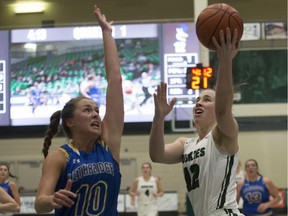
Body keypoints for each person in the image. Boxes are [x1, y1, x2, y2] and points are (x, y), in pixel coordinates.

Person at [34, 4, 124, 216]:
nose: (95, 114)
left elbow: (115, 80)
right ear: (70, 122)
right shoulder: (59, 157)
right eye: (87, 110)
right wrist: (51, 199)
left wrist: (107, 33)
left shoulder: (108, 144)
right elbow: (39, 205)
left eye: (96, 110)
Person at [149, 28, 243, 216]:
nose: (199, 102)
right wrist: (158, 118)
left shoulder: (223, 134)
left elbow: (224, 109)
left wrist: (225, 61)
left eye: (207, 99)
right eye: (197, 100)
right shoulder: (186, 144)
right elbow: (157, 155)